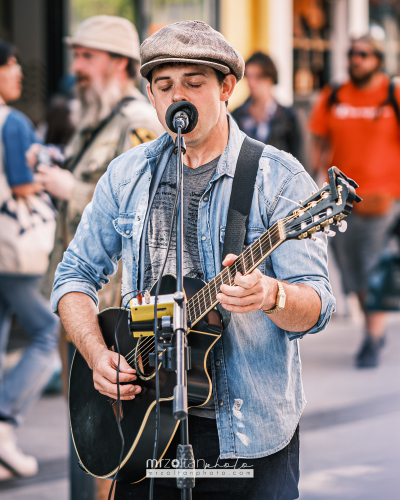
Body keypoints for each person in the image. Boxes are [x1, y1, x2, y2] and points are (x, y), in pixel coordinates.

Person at [51, 21, 336, 500]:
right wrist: (96, 354)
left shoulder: (277, 177)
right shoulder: (127, 174)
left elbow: (318, 304)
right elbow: (74, 274)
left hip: (246, 439)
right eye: (165, 86)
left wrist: (271, 294)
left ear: (226, 87)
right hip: (142, 431)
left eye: (194, 83)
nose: (177, 96)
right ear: (151, 94)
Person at [28, 15, 164, 310]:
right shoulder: (98, 117)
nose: (76, 66)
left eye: (87, 56)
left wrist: (71, 190)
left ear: (119, 63)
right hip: (79, 294)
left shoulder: (137, 122)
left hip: (110, 306)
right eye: (76, 56)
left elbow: (146, 209)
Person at [308, 33, 400, 368]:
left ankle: (373, 337)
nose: (355, 59)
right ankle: (372, 326)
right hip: (341, 202)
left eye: (362, 54)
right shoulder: (334, 95)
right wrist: (314, 177)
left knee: (374, 267)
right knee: (352, 274)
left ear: (377, 58)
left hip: (383, 201)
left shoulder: (393, 94)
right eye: (351, 54)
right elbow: (317, 139)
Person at [0, 41, 60, 480]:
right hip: (11, 250)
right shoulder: (13, 123)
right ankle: (3, 423)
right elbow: (22, 185)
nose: (18, 74)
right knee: (48, 333)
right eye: (12, 66)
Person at [232, 51, 302, 158]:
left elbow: (300, 161)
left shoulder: (289, 117)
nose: (251, 83)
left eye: (257, 77)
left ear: (270, 78)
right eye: (248, 77)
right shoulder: (236, 116)